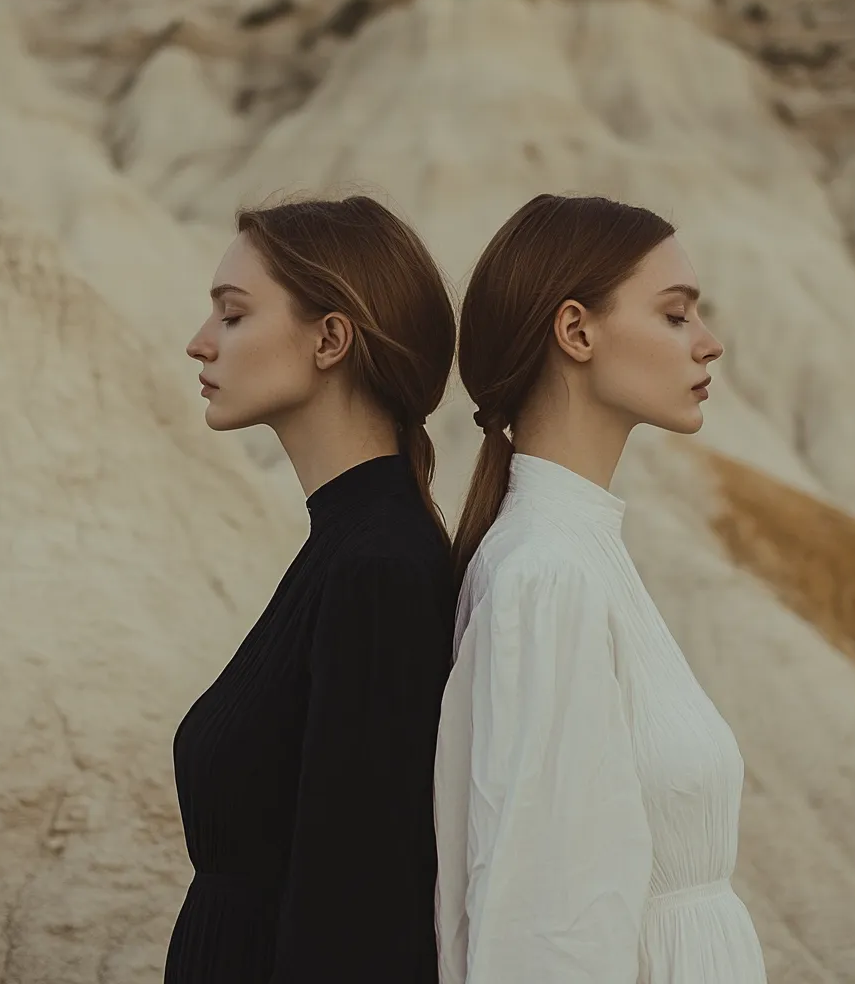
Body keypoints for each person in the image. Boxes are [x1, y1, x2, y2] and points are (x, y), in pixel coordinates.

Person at [433, 194, 769, 984]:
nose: (709, 343)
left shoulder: (580, 553)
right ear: (577, 331)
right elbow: (545, 932)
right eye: (676, 315)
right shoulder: (545, 576)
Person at [167, 195, 456, 984]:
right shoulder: (349, 548)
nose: (199, 342)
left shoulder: (377, 572)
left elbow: (363, 920)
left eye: (232, 315)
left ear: (331, 339)